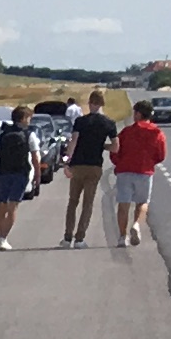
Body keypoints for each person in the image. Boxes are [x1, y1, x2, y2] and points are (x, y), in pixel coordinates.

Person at [58, 89, 116, 243]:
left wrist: (66, 161)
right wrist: (102, 146)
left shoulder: (80, 122)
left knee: (73, 202)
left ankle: (67, 236)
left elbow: (73, 142)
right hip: (95, 166)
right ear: (102, 104)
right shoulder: (109, 123)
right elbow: (116, 147)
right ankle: (80, 238)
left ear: (89, 103)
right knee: (88, 203)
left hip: (78, 165)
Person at [108, 107, 168, 248]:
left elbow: (116, 149)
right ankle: (136, 224)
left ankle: (122, 237)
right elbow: (161, 155)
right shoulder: (156, 132)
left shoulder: (127, 132)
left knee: (123, 204)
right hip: (144, 171)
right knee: (142, 202)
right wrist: (150, 162)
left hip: (125, 171)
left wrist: (118, 163)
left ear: (138, 114)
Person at [0, 108, 37, 248]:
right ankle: (3, 237)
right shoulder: (29, 135)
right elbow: (35, 157)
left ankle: (1, 235)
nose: (30, 121)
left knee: (2, 205)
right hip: (20, 173)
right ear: (23, 119)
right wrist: (37, 176)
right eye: (29, 118)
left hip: (3, 172)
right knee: (13, 206)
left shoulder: (3, 134)